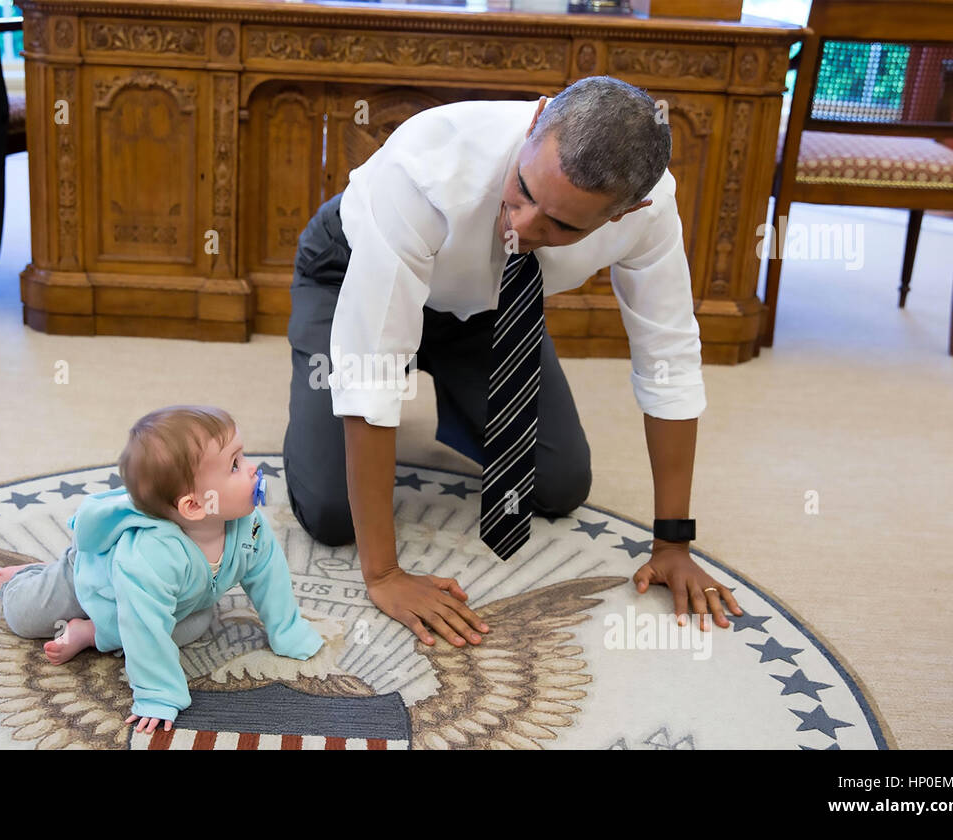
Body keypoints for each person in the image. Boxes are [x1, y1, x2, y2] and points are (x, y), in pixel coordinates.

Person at [283, 76, 743, 651]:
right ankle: (315, 386)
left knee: (557, 484)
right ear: (538, 119)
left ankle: (453, 385)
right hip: (348, 271)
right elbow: (372, 371)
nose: (521, 227)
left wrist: (674, 543)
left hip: (486, 308)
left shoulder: (652, 213)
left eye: (561, 225)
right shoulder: (425, 164)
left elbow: (669, 358)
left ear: (630, 210)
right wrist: (385, 575)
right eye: (523, 189)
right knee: (332, 514)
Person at [0, 405, 323, 734]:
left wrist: (287, 629)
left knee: (197, 625)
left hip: (176, 601)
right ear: (193, 506)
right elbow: (142, 623)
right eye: (234, 465)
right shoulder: (152, 555)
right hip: (90, 578)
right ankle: (27, 576)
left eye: (243, 456)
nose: (252, 470)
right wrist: (158, 692)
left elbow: (268, 574)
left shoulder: (250, 526)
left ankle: (91, 633)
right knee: (23, 616)